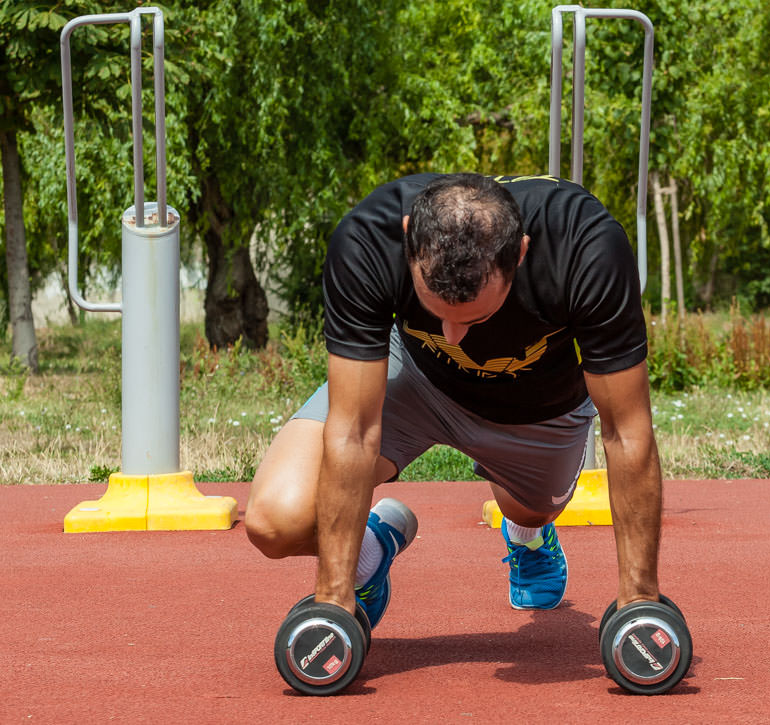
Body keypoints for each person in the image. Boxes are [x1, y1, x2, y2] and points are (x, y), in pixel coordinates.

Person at [245, 172, 663, 630]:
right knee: (275, 520)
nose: (453, 335)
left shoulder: (585, 246)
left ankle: (528, 535)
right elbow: (353, 430)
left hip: (537, 407)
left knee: (530, 509)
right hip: (413, 378)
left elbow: (626, 431)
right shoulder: (369, 238)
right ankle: (371, 552)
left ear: (520, 253)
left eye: (476, 316)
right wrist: (334, 597)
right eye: (436, 310)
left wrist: (640, 603)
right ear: (409, 237)